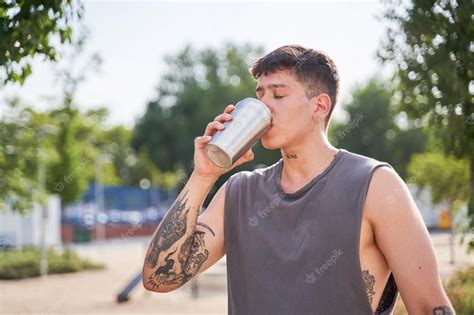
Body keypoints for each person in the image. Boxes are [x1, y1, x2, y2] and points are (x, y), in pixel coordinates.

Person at [142, 45, 455, 315]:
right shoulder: (238, 192)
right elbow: (158, 278)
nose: (264, 105)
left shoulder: (375, 185)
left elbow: (429, 306)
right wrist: (203, 175)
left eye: (278, 94)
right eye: (259, 94)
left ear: (319, 106)